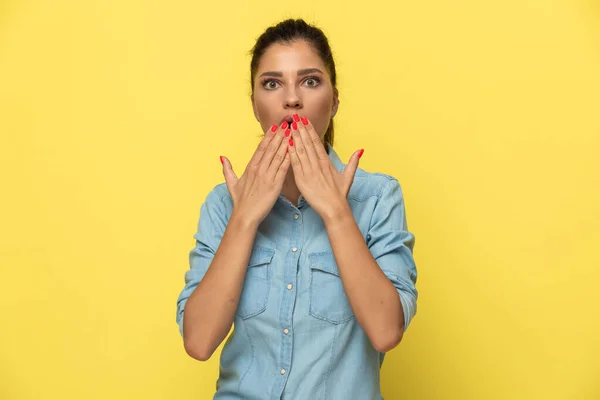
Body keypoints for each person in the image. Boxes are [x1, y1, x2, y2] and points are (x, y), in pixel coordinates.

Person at [175, 18, 418, 400]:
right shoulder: (223, 204)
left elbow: (387, 331)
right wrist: (244, 219)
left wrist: (336, 212)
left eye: (309, 81)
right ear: (255, 104)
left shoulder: (377, 197)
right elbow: (199, 342)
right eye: (272, 83)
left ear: (334, 100)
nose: (291, 99)